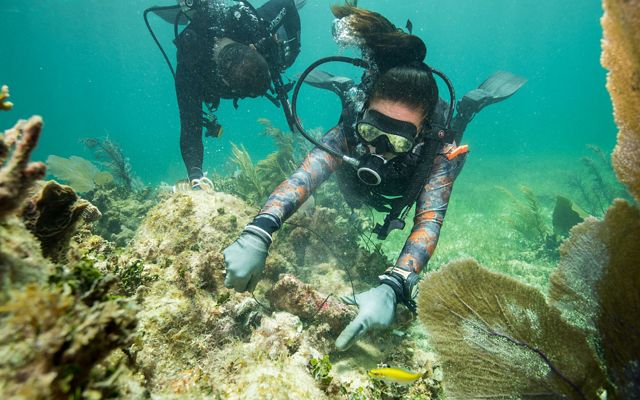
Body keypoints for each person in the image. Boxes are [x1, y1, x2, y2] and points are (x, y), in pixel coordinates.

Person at [223, 4, 525, 351]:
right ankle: (348, 88)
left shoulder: (435, 153)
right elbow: (305, 175)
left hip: (421, 165)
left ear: (420, 133)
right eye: (372, 129)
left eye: (397, 140)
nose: (379, 147)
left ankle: (468, 108)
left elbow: (429, 220)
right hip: (357, 173)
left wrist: (395, 284)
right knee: (348, 170)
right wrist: (259, 230)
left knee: (455, 142)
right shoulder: (350, 129)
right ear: (364, 114)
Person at [148, 0, 306, 190]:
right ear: (224, 81)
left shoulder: (250, 25)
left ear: (252, 48)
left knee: (279, 45)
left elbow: (286, 3)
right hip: (207, 52)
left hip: (267, 42)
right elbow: (190, 124)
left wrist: (293, 51)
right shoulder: (191, 62)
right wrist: (195, 174)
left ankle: (278, 56)